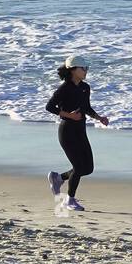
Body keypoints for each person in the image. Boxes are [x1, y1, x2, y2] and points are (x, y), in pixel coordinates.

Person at [46, 55, 108, 211]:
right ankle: (69, 200)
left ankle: (58, 178)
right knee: (79, 167)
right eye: (83, 68)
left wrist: (99, 117)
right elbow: (50, 107)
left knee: (88, 168)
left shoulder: (85, 87)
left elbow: (86, 107)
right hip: (67, 132)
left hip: (80, 130)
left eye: (86, 68)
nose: (86, 71)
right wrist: (69, 115)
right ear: (73, 70)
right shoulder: (64, 88)